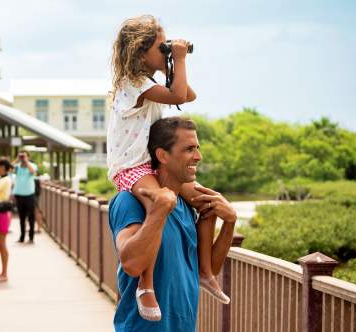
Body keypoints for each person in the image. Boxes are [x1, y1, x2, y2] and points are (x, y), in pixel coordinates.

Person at [107, 15, 228, 321]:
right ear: (140, 51)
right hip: (132, 166)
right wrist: (179, 56)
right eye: (161, 47)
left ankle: (204, 271)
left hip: (148, 164)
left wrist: (174, 64)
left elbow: (187, 95)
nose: (167, 52)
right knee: (160, 201)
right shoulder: (132, 83)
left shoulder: (149, 85)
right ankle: (145, 286)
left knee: (206, 201)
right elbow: (178, 96)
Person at [109, 116, 237, 331]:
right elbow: (131, 263)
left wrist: (230, 221)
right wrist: (159, 211)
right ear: (162, 155)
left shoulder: (187, 206)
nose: (198, 156)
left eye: (197, 148)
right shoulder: (128, 201)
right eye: (188, 149)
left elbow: (209, 269)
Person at [12, 150, 38, 243]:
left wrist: (26, 162)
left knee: (31, 217)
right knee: (21, 217)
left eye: (24, 156)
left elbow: (33, 171)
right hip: (19, 194)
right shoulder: (17, 167)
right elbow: (9, 169)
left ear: (28, 157)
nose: (22, 158)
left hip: (29, 194)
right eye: (21, 156)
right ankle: (22, 237)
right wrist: (16, 160)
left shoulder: (32, 165)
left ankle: (31, 237)